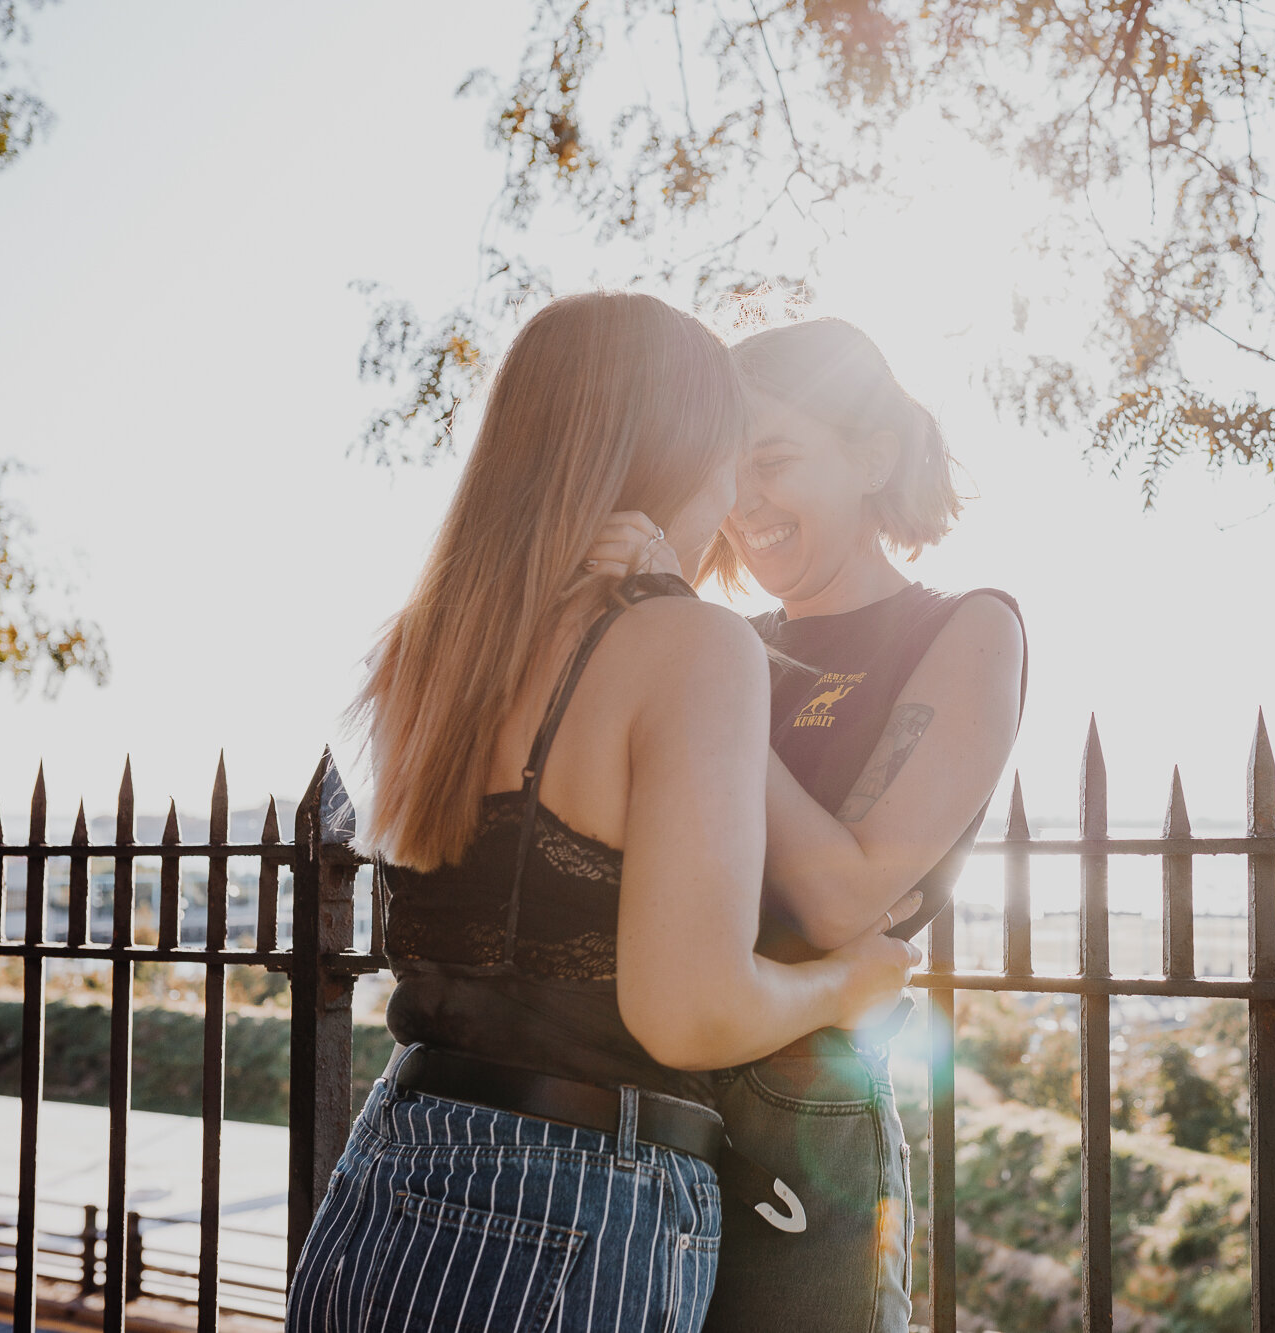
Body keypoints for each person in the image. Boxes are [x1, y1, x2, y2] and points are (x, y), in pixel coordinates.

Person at [285, 293, 919, 1333]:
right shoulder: (689, 644)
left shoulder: (425, 648)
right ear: (680, 448)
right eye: (730, 452)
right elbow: (688, 1010)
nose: (730, 496)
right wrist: (844, 982)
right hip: (572, 1204)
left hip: (385, 1167)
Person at [588, 317, 1025, 1333]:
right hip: (645, 1083)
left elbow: (841, 895)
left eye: (774, 461)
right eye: (726, 469)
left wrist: (688, 649)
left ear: (871, 455)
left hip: (800, 1110)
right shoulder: (719, 638)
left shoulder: (966, 626)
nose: (742, 501)